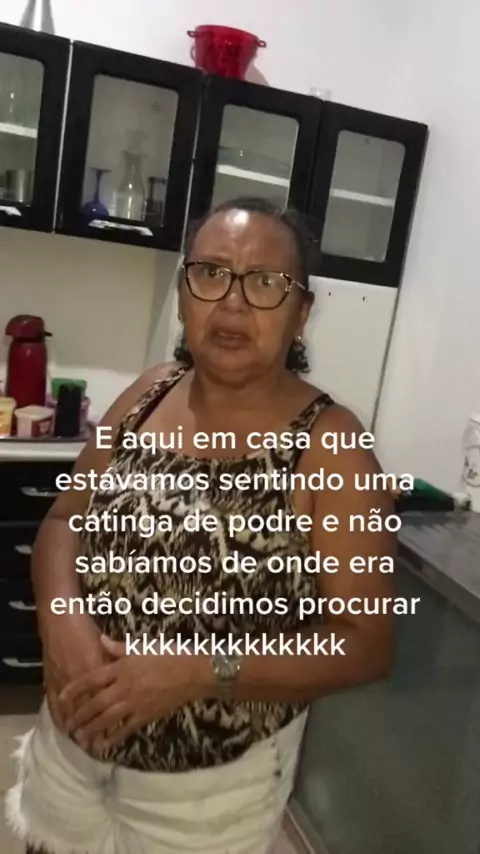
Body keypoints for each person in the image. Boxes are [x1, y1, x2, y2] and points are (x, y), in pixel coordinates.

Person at [6, 197, 396, 854]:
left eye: (265, 282)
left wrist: (201, 671)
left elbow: (365, 646)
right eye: (211, 273)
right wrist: (62, 616)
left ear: (301, 312)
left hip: (204, 798)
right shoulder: (147, 393)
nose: (233, 302)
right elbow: (66, 515)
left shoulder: (332, 448)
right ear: (185, 292)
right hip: (68, 753)